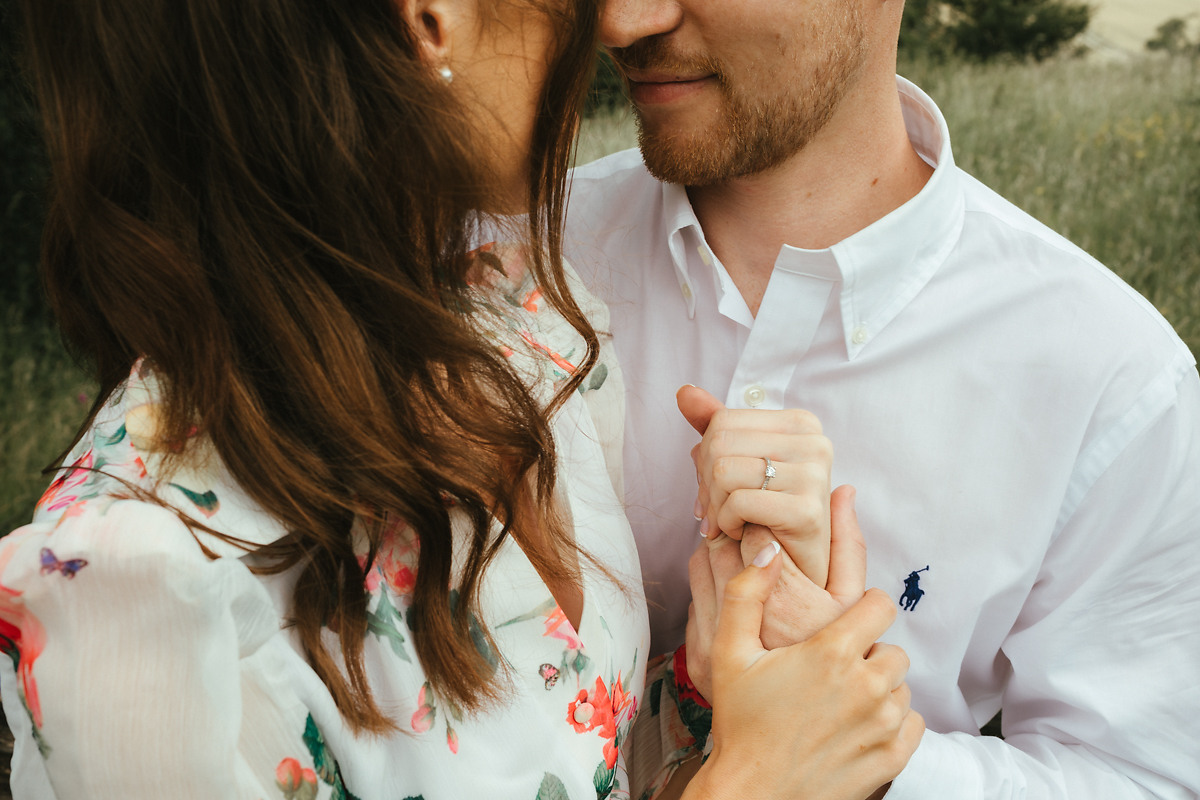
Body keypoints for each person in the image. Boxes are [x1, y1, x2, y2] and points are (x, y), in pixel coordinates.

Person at [0, 0, 922, 798]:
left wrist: (725, 693)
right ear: (428, 19)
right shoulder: (138, 588)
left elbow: (582, 765)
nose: (607, 21)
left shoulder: (521, 337)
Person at [563, 0, 1200, 797]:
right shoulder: (500, 255)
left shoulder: (1113, 384)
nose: (622, 23)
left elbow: (1139, 777)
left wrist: (869, 754)